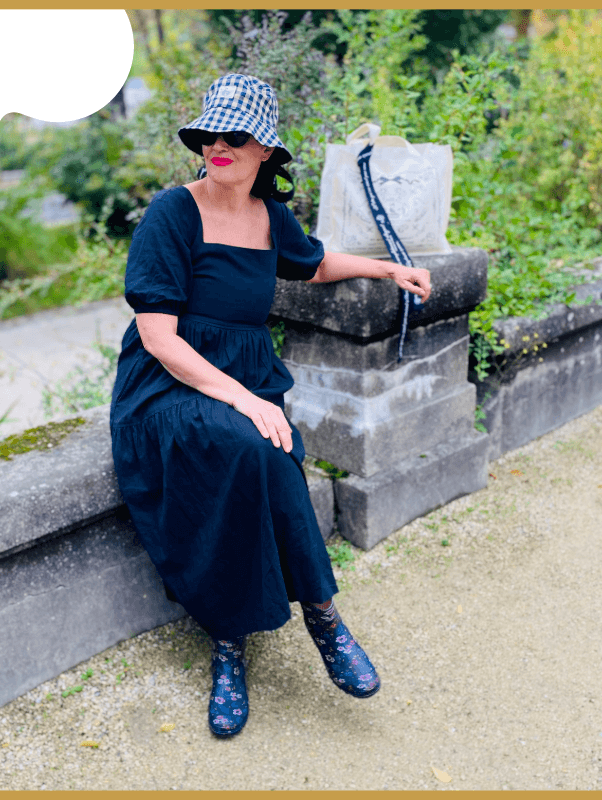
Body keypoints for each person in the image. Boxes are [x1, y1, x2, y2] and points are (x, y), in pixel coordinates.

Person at [110, 73, 431, 737]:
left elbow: (312, 264)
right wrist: (243, 401)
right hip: (170, 384)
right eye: (210, 134)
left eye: (236, 136)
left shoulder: (267, 216)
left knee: (272, 450)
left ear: (265, 152)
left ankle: (288, 625)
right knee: (253, 444)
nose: (219, 145)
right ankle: (282, 629)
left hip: (243, 376)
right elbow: (159, 339)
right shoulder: (173, 213)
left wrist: (388, 270)